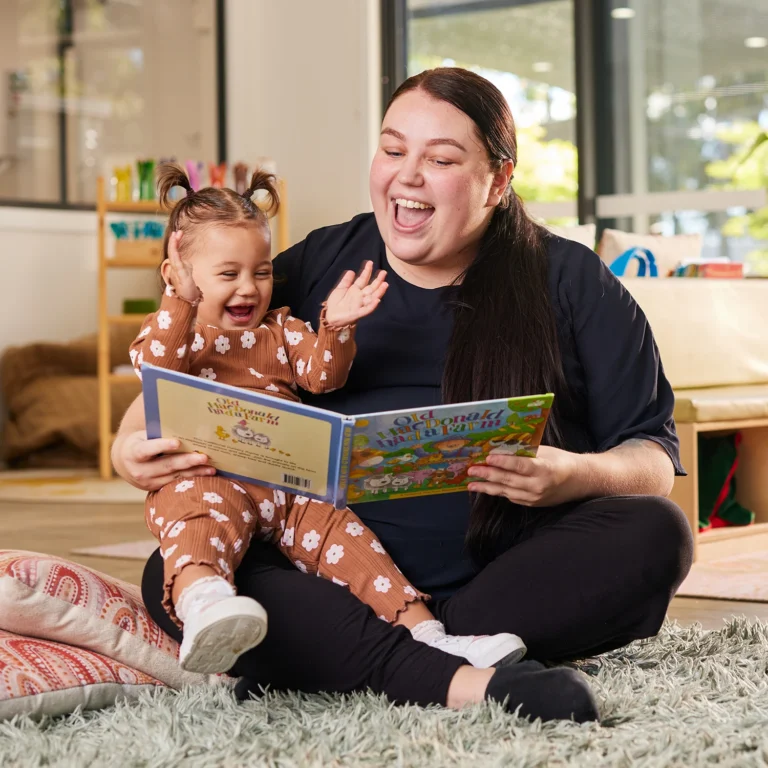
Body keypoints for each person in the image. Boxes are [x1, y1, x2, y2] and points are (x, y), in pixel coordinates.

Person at [112, 67, 694, 724]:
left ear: (498, 181)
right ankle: (460, 677)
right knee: (179, 568)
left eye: (440, 159)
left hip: (497, 587)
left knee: (657, 533)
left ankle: (358, 656)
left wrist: (572, 476)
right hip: (324, 569)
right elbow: (185, 372)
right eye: (392, 150)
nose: (407, 176)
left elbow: (651, 463)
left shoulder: (571, 279)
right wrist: (127, 446)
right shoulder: (317, 264)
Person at [130, 162, 527, 675]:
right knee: (196, 524)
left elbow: (323, 378)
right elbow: (156, 371)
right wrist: (179, 304)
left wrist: (336, 328)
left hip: (290, 487)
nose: (249, 289)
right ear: (178, 275)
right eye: (228, 275)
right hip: (207, 477)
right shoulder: (172, 333)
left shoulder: (280, 330)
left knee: (352, 542)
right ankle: (204, 605)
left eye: (263, 271)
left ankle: (430, 637)